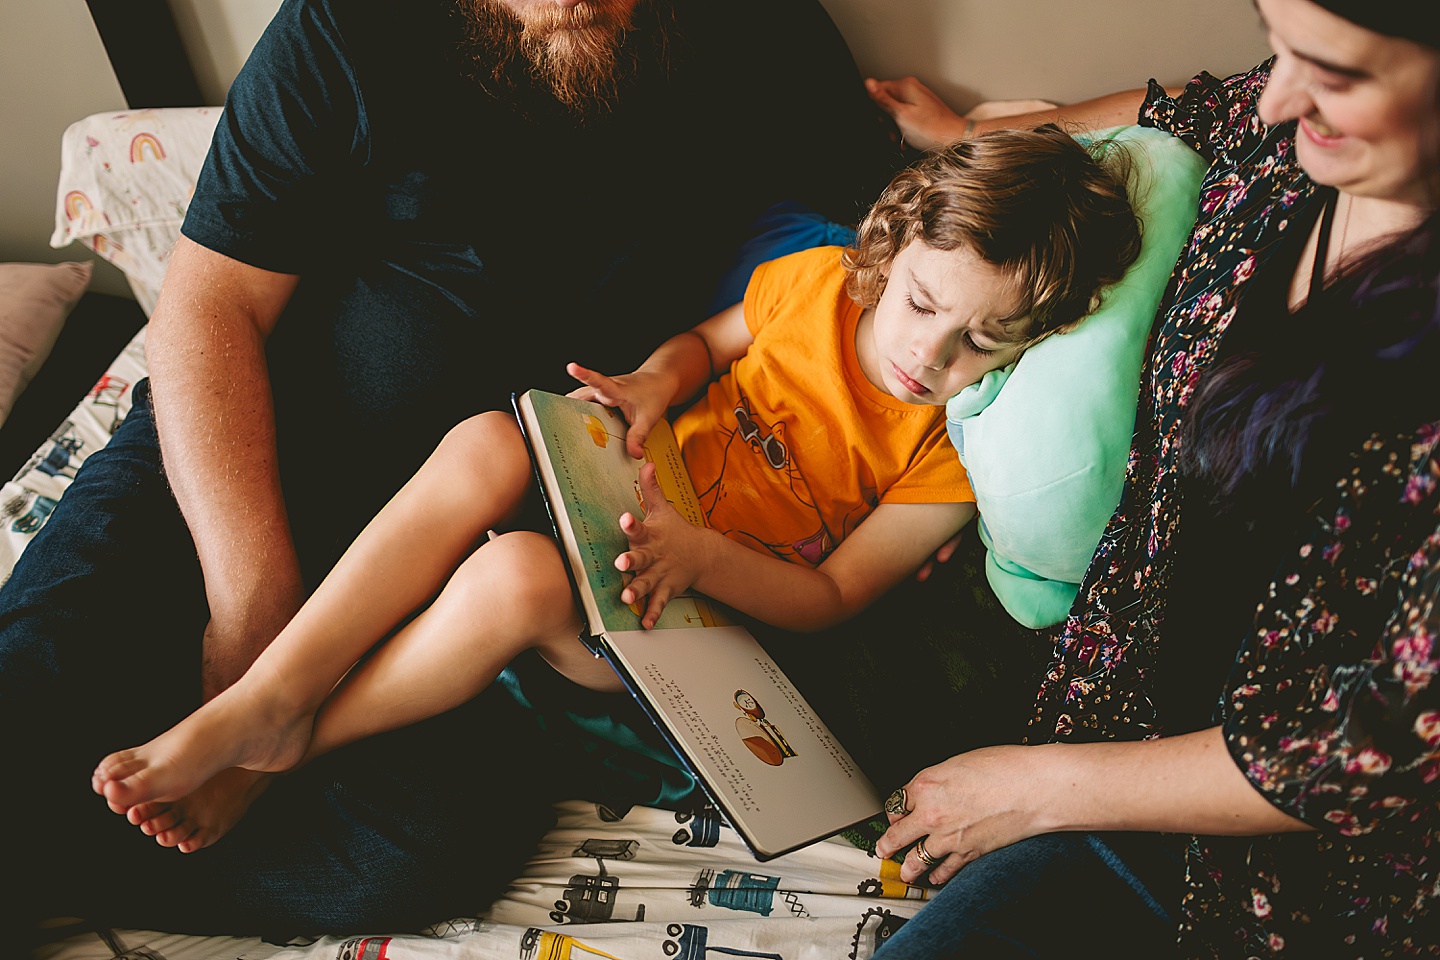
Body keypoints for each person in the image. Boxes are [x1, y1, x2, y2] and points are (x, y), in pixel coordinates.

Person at [1, 0, 911, 942]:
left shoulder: (758, 30)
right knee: (31, 699)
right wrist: (256, 618)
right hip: (245, 463)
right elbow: (209, 301)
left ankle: (77, 848)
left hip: (490, 534)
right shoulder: (348, 25)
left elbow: (904, 242)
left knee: (435, 844)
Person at [88, 127, 1142, 857]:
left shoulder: (952, 451)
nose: (929, 355)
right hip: (620, 495)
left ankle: (289, 742)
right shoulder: (821, 284)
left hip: (687, 615)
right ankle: (267, 693)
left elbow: (836, 600)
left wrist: (702, 557)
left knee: (515, 577)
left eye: (981, 347)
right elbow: (703, 342)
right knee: (483, 442)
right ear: (897, 236)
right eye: (922, 305)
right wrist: (652, 383)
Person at [854, 0, 1440, 956]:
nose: (1282, 98)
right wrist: (974, 132)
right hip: (1104, 719)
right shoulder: (1279, 152)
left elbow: (1374, 746)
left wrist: (1038, 791)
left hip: (1271, 886)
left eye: (1333, 74)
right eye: (1276, 44)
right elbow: (1188, 110)